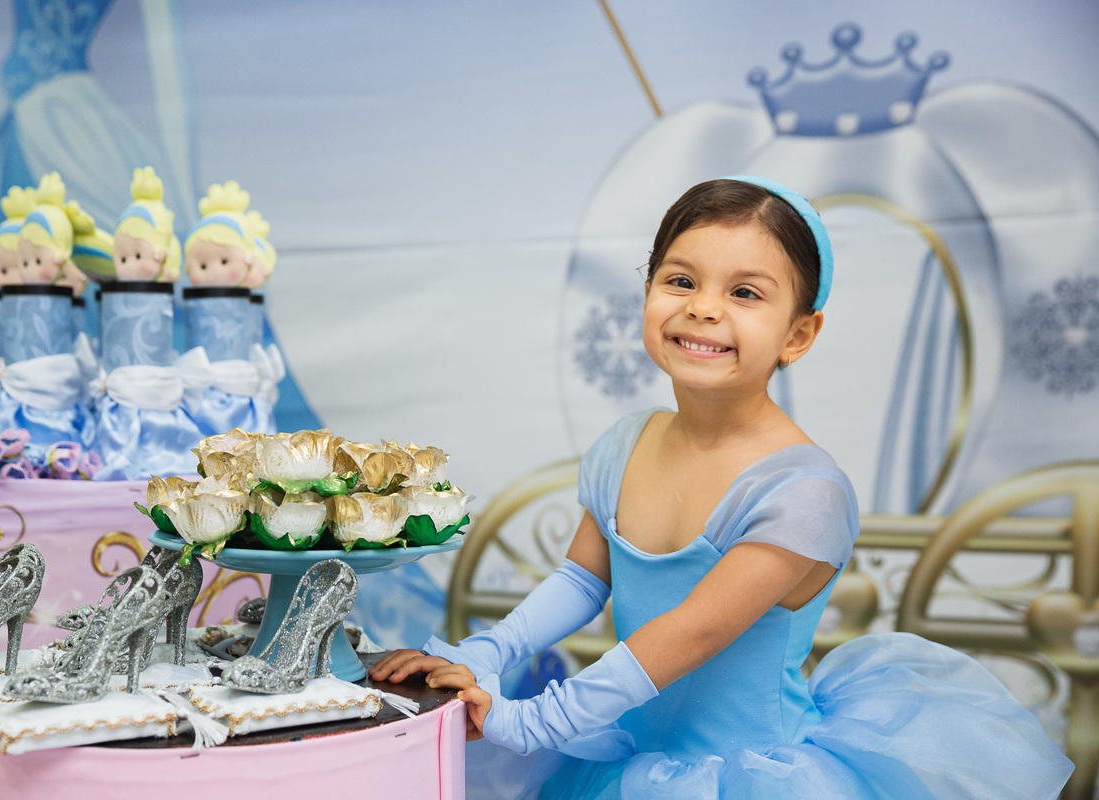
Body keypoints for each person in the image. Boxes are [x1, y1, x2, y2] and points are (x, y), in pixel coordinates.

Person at [370, 176, 1073, 799]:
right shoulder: (625, 443)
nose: (704, 308)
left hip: (750, 773)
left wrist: (534, 721)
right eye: (680, 280)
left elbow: (692, 630)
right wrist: (483, 654)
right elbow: (583, 580)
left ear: (798, 335)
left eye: (744, 293)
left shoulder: (803, 491)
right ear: (647, 292)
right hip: (630, 757)